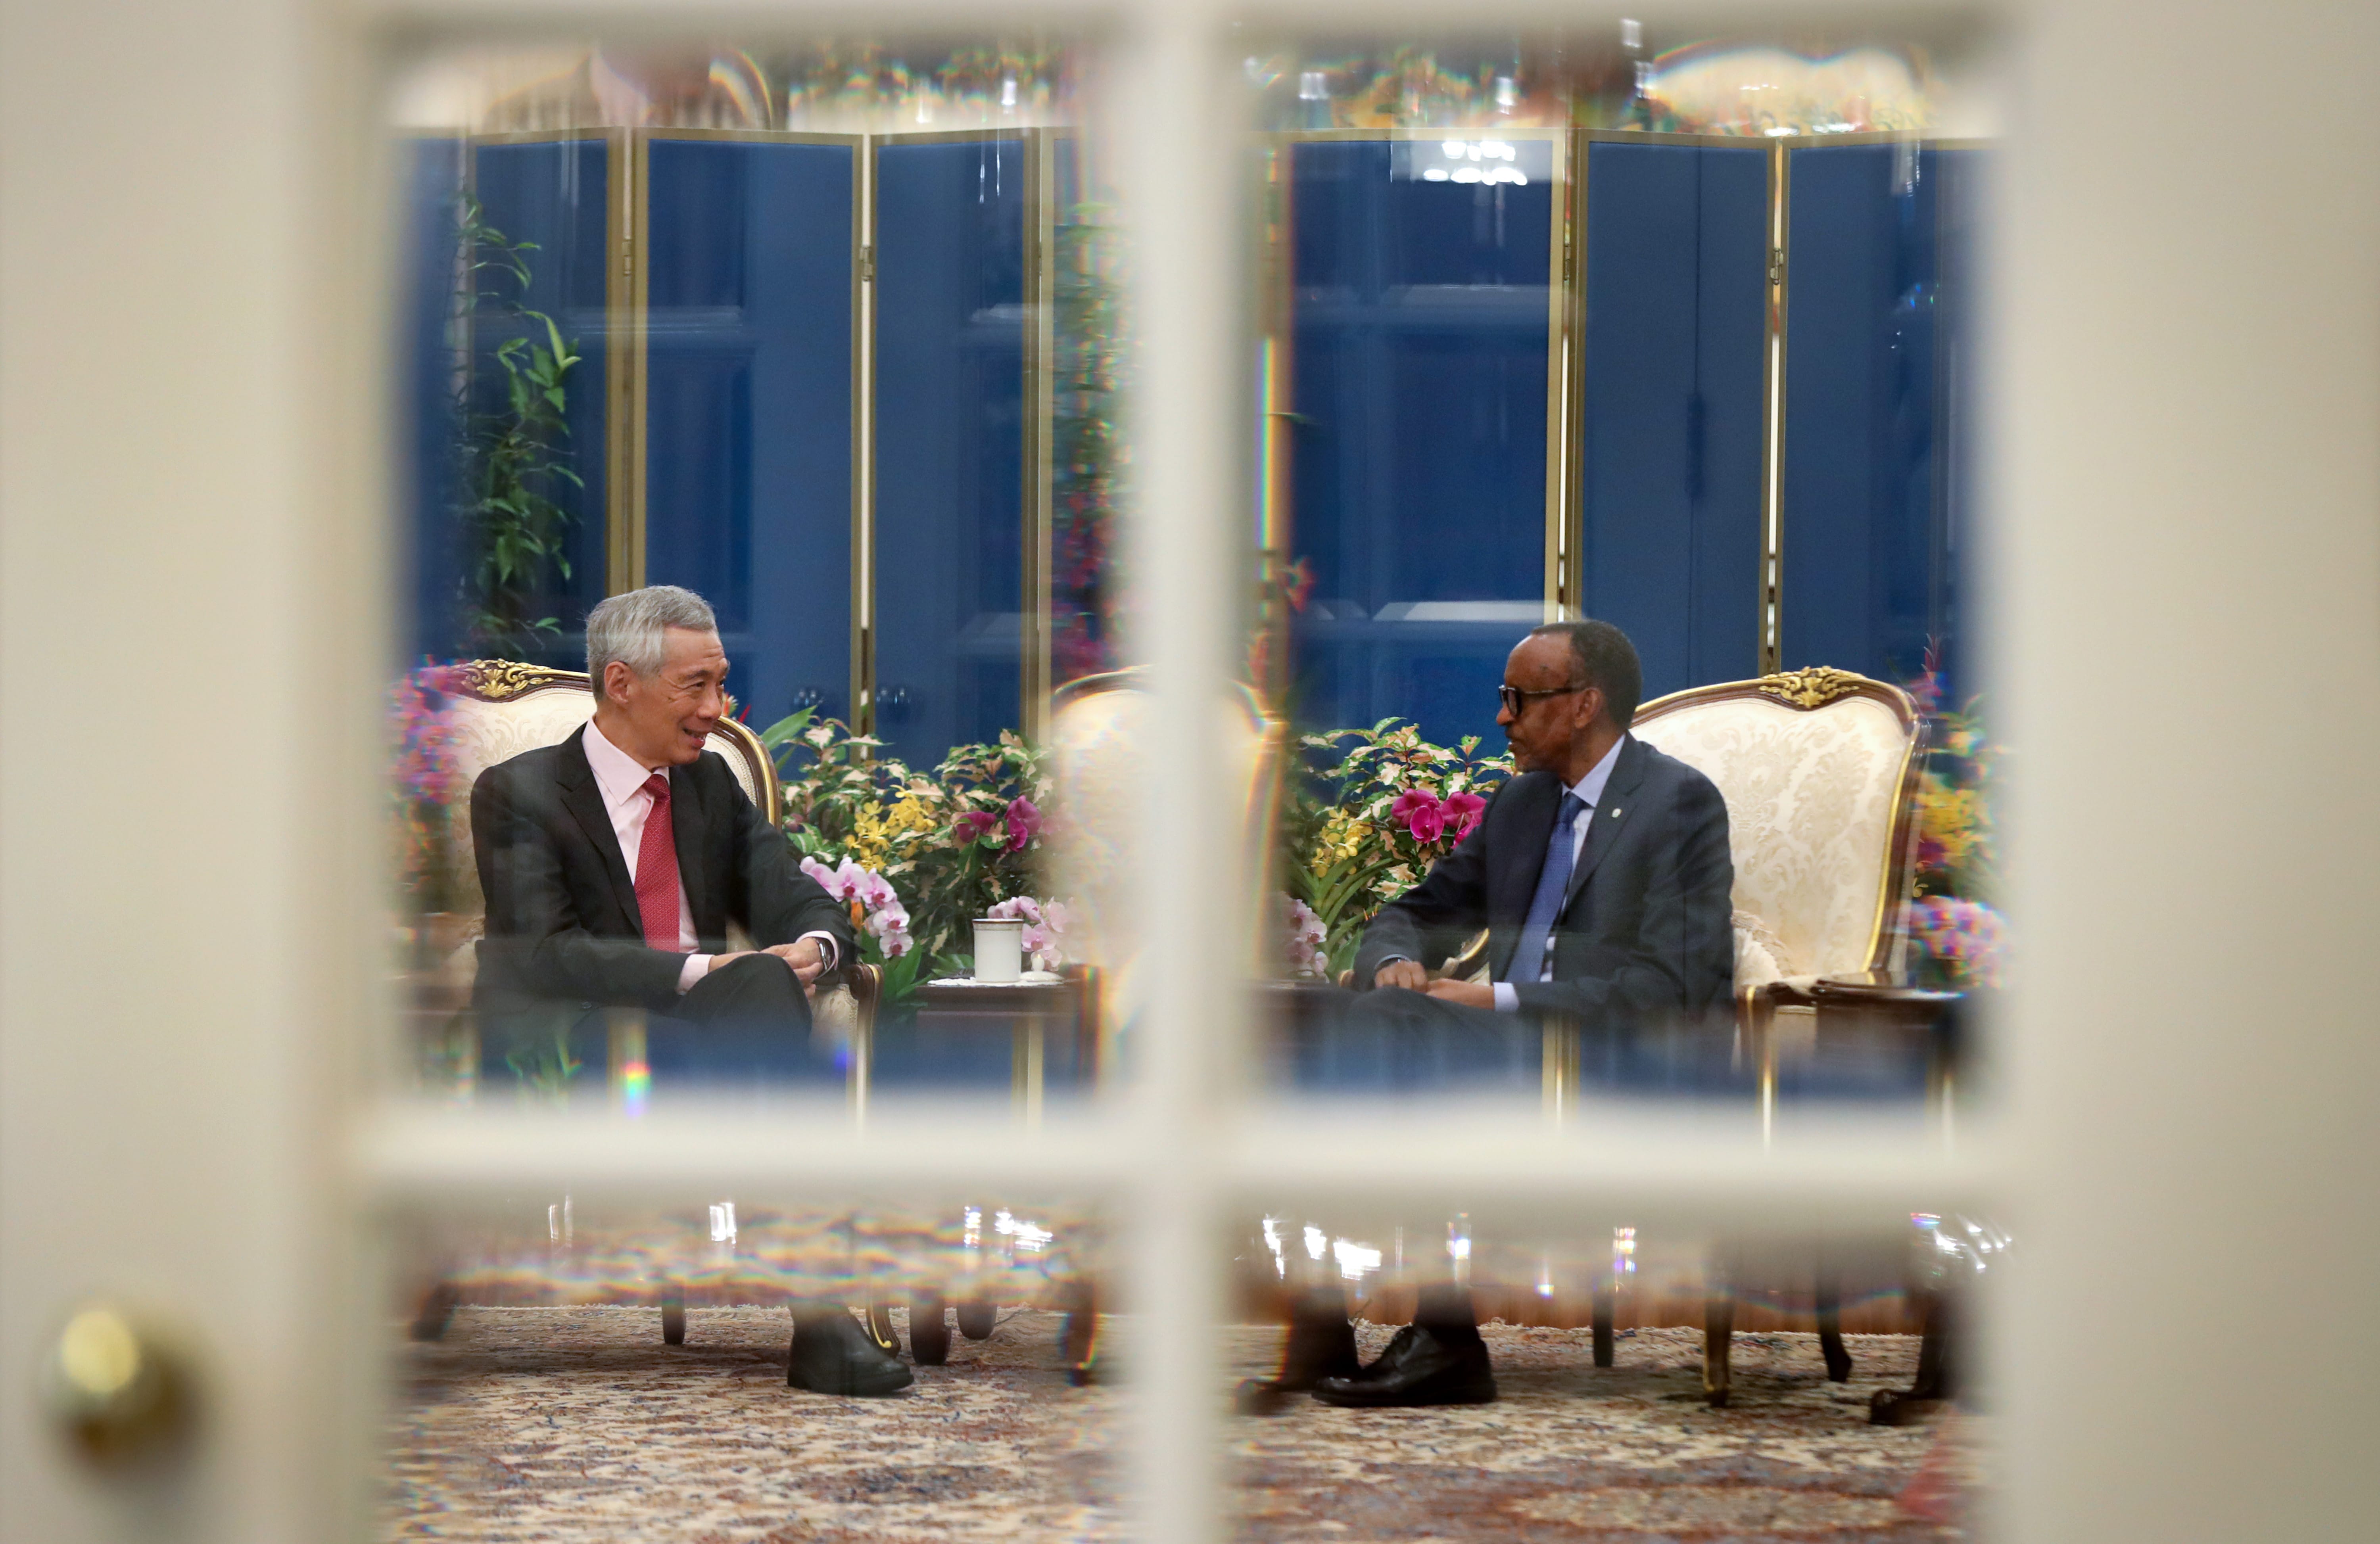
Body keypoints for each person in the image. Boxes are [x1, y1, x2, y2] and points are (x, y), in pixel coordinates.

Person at [1280, 620, 1736, 1410]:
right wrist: (1393, 963)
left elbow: (1672, 987)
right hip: (1478, 1046)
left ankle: (1429, 1332)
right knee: (1319, 1019)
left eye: (1517, 699)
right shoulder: (1522, 805)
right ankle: (1362, 1321)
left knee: (1392, 1032)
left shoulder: (1679, 805)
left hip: (1604, 1059)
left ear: (1584, 704)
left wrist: (1492, 997)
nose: (1502, 718)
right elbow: (1416, 912)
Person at [468, 584, 909, 1396]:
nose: (717, 707)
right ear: (621, 684)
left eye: (720, 683)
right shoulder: (519, 791)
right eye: (695, 686)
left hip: (711, 1025)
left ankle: (821, 1320)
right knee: (756, 1009)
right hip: (579, 1031)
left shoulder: (708, 786)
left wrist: (814, 945)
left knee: (769, 989)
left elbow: (794, 891)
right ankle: (825, 1308)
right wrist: (709, 971)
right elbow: (545, 953)